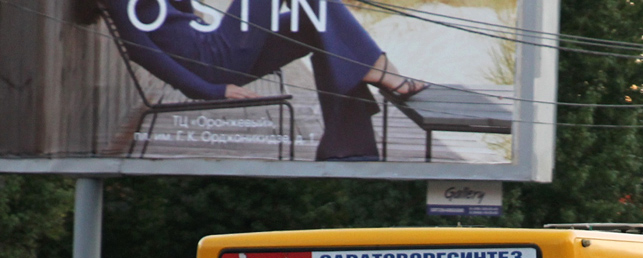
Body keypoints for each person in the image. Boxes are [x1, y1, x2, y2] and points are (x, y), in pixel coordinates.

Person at [107, 0, 426, 160]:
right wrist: (208, 91)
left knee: (309, 21)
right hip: (212, 58)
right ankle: (380, 69)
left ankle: (347, 147)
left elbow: (180, 14)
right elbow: (140, 51)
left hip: (211, 46)